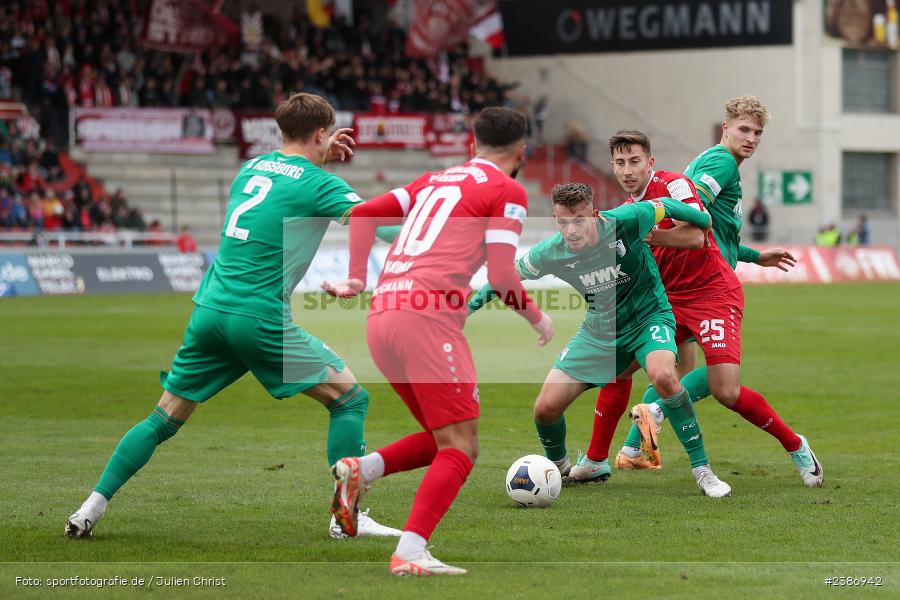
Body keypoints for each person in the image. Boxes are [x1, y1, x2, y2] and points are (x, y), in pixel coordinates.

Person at [65, 92, 400, 540]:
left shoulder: (251, 168)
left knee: (162, 419)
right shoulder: (320, 184)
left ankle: (90, 508)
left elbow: (289, 189)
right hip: (258, 317)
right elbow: (377, 223)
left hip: (210, 311)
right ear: (322, 134)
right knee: (350, 400)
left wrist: (320, 164)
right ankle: (346, 518)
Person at [323, 107, 554, 576]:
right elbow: (504, 274)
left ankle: (360, 470)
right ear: (521, 152)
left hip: (383, 315)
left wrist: (354, 279)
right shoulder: (506, 190)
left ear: (472, 145)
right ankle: (410, 553)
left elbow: (364, 213)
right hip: (426, 321)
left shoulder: (432, 180)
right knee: (462, 447)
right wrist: (536, 317)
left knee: (442, 437)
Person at [470, 181, 731, 499]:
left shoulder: (628, 218)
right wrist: (464, 312)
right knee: (544, 409)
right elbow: (503, 279)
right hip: (600, 331)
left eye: (578, 220)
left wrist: (703, 219)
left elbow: (665, 204)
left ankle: (703, 472)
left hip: (649, 317)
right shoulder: (550, 251)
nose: (571, 230)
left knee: (663, 376)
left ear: (593, 215)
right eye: (562, 221)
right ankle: (558, 470)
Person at [612, 100, 823, 488]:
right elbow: (691, 216)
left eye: (758, 133)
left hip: (702, 284)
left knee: (706, 383)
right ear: (725, 128)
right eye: (744, 130)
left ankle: (795, 444)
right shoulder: (721, 163)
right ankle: (625, 448)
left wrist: (755, 256)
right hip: (682, 285)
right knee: (659, 371)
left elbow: (714, 237)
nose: (751, 139)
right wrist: (648, 229)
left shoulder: (715, 165)